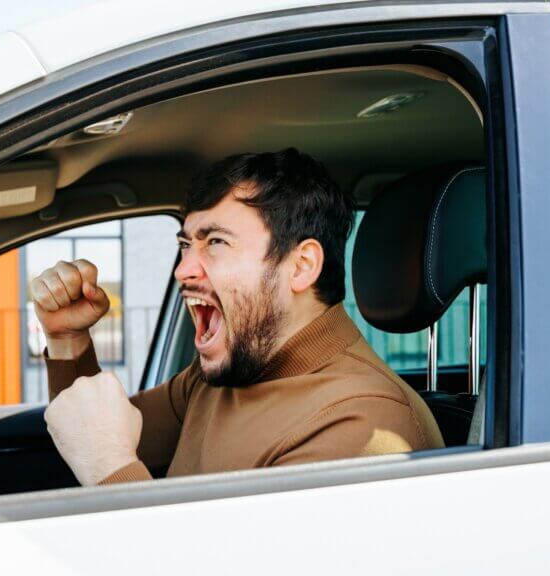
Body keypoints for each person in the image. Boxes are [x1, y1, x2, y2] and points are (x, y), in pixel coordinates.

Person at [35, 148, 443, 486]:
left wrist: (110, 468)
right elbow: (92, 437)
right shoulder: (223, 374)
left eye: (215, 242)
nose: (183, 270)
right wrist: (69, 339)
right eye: (185, 245)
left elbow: (108, 461)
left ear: (301, 266)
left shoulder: (365, 425)